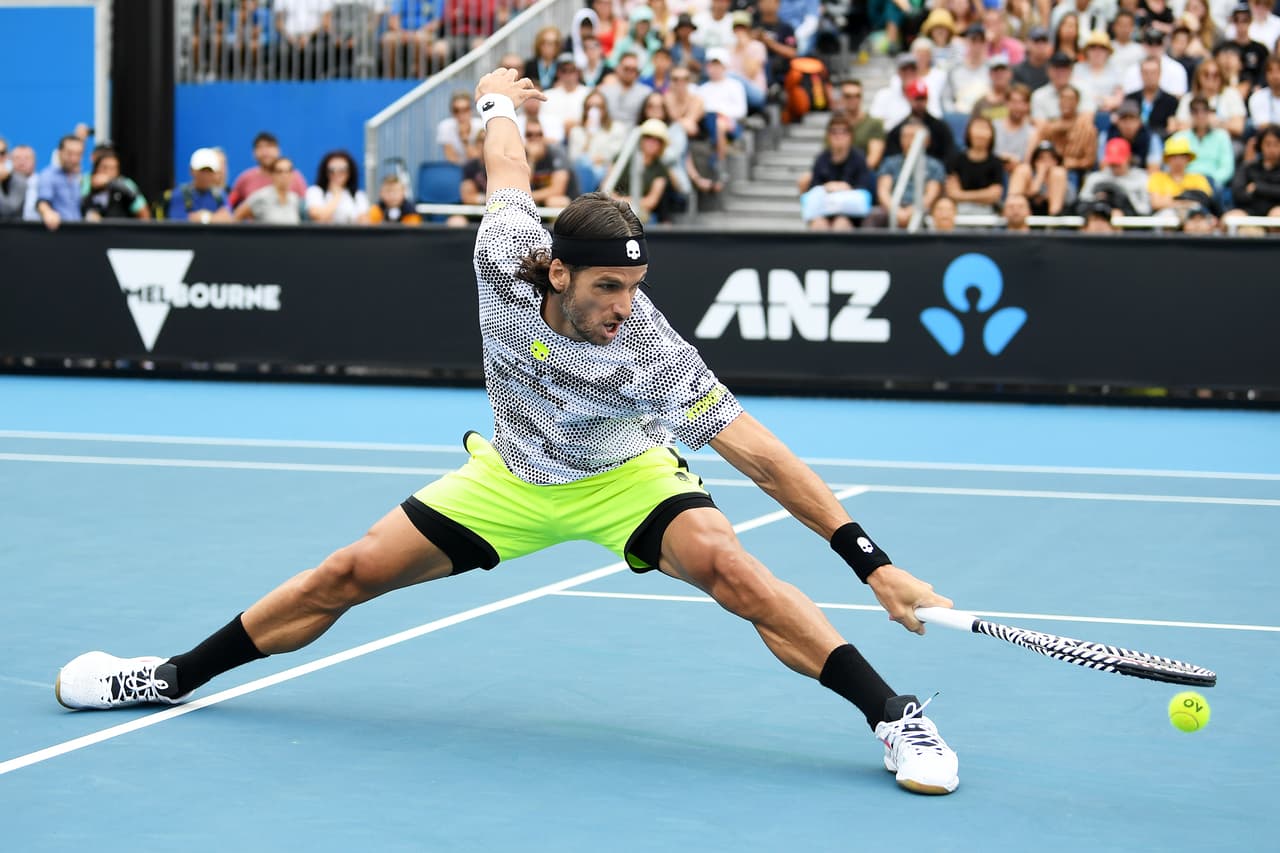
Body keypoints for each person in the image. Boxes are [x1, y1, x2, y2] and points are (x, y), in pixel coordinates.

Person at [53, 66, 962, 798]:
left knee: (735, 570)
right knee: (345, 572)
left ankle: (895, 715)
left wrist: (872, 563)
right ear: (557, 272)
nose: (626, 306)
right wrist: (497, 100)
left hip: (624, 477)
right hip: (512, 475)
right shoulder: (503, 254)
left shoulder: (653, 353)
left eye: (635, 288)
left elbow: (762, 456)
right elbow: (508, 167)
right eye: (609, 288)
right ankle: (170, 675)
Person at [797, 113, 877, 230]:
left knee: (841, 224)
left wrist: (846, 188)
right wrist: (826, 187)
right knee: (819, 225)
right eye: (834, 132)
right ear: (828, 136)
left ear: (850, 136)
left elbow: (864, 187)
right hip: (824, 209)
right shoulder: (821, 159)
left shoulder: (859, 158)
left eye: (843, 131)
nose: (839, 136)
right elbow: (813, 187)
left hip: (850, 213)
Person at [612, 118, 672, 222]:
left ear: (662, 145)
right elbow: (606, 187)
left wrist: (621, 201)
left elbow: (651, 201)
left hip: (641, 214)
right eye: (648, 137)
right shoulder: (623, 158)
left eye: (657, 140)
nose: (652, 142)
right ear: (641, 139)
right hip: (614, 209)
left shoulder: (661, 169)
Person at [228, 131, 308, 208]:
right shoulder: (245, 179)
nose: (265, 152)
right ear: (254, 153)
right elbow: (229, 205)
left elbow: (306, 207)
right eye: (260, 147)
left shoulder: (294, 177)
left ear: (278, 150)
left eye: (269, 146)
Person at [946, 115, 1006, 214]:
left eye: (985, 129)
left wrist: (962, 195)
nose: (980, 134)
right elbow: (952, 192)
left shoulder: (996, 162)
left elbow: (995, 194)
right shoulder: (956, 160)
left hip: (989, 212)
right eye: (977, 128)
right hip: (959, 211)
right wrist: (984, 195)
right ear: (969, 132)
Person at [165, 147, 232, 223]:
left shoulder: (220, 195)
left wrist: (204, 217)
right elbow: (178, 221)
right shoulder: (179, 194)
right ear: (191, 170)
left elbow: (228, 219)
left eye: (209, 171)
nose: (205, 176)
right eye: (202, 170)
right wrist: (214, 218)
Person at [1148, 134, 1213, 211]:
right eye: (1174, 156)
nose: (1178, 160)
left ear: (1188, 158)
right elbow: (1155, 203)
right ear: (1167, 159)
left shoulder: (1199, 179)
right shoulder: (1157, 178)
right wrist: (1184, 202)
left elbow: (1205, 201)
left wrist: (1170, 200)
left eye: (1182, 156)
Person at [80, 150, 150, 221]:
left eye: (113, 168)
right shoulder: (87, 181)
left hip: (119, 226)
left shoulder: (126, 184)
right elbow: (79, 205)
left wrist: (113, 184)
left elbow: (144, 214)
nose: (109, 172)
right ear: (96, 168)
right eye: (104, 167)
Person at [34, 134, 85, 231]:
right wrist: (47, 212)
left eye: (78, 154)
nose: (74, 159)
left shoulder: (77, 177)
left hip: (78, 232)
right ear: (59, 153)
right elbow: (42, 202)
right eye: (70, 153)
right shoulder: (48, 175)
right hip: (58, 233)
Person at [234, 156, 306, 224]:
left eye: (288, 171)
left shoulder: (294, 199)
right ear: (272, 175)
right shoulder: (260, 197)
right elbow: (236, 217)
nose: (284, 175)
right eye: (279, 171)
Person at [305, 150, 370, 224]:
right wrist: (337, 196)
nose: (336, 174)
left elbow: (365, 222)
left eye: (342, 170)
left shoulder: (358, 195)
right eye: (331, 170)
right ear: (325, 172)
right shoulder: (315, 191)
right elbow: (319, 217)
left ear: (349, 173)